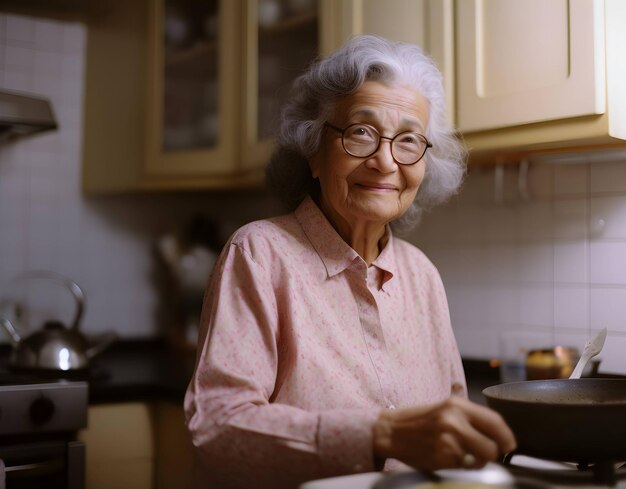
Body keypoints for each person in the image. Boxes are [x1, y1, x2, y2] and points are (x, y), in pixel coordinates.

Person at [184, 34, 516, 489]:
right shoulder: (260, 254)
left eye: (408, 140)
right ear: (314, 152)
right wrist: (379, 435)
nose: (384, 161)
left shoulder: (421, 275)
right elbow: (218, 428)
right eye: (361, 132)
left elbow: (448, 424)